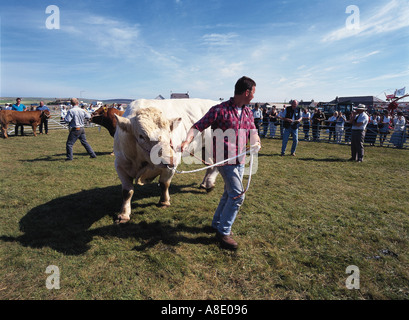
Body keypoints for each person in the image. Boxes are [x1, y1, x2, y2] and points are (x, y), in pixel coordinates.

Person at [180, 76, 261, 250]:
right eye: (253, 92)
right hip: (225, 161)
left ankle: (217, 223)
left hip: (241, 159)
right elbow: (197, 126)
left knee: (229, 193)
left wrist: (256, 141)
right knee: (238, 196)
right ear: (246, 92)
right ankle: (224, 232)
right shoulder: (219, 110)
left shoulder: (247, 112)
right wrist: (187, 142)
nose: (254, 96)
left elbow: (253, 130)